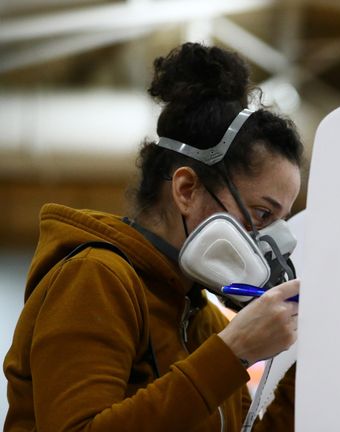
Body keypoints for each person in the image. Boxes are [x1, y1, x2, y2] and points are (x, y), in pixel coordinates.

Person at [4, 42, 301, 431]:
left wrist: (312, 364)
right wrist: (234, 352)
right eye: (262, 213)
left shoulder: (204, 319)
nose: (270, 241)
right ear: (186, 190)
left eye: (279, 221)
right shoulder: (94, 278)